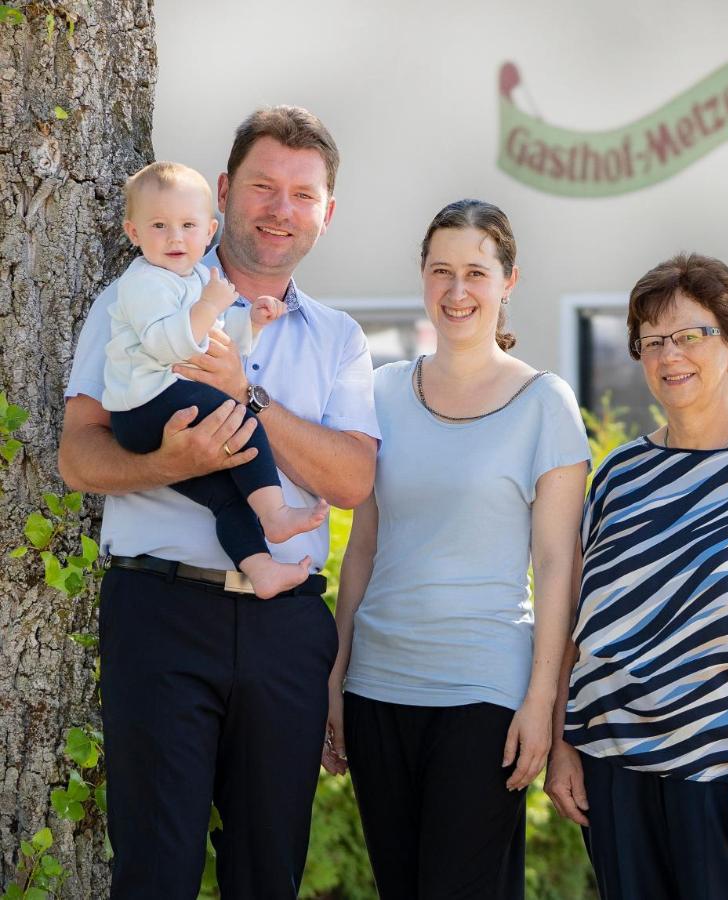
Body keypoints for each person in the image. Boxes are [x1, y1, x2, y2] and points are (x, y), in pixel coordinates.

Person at [58, 106, 380, 898]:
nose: (280, 208)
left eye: (303, 195)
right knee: (155, 871)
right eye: (264, 186)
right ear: (227, 193)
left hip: (286, 631)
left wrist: (251, 395)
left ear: (326, 214)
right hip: (161, 613)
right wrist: (167, 461)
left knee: (267, 873)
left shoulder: (341, 339)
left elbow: (350, 480)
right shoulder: (134, 302)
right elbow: (78, 455)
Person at [320, 199, 590, 899]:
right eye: (442, 271)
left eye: (476, 271)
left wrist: (543, 701)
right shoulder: (379, 393)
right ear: (423, 278)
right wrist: (337, 675)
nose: (457, 290)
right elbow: (365, 546)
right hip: (379, 688)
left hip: (485, 693)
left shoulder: (544, 402)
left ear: (509, 281)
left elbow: (560, 565)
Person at [544, 253, 728, 900]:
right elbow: (579, 623)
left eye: (691, 335)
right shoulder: (618, 475)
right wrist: (566, 743)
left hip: (721, 772)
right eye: (652, 341)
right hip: (611, 766)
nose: (670, 354)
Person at [103, 160, 327, 599]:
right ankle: (277, 513)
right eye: (160, 226)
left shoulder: (195, 281)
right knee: (242, 419)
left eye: (187, 226)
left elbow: (219, 344)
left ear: (209, 231)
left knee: (227, 495)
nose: (174, 238)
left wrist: (252, 325)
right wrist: (209, 305)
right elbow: (171, 345)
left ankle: (260, 568)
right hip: (145, 405)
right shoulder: (145, 282)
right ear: (135, 233)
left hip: (165, 404)